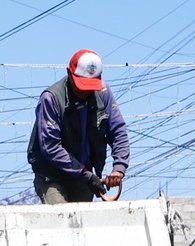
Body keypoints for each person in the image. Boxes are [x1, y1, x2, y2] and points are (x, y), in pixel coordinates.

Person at [27, 48, 130, 204]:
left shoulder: (102, 92)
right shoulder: (51, 99)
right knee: (60, 217)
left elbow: (118, 131)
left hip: (83, 178)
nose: (85, 92)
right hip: (53, 177)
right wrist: (88, 176)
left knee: (83, 223)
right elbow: (51, 147)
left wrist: (119, 167)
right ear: (69, 73)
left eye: (90, 86)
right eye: (81, 85)